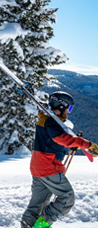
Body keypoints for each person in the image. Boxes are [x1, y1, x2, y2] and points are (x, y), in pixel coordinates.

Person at [21, 91, 98, 228]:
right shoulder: (51, 122)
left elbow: (52, 141)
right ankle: (42, 225)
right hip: (49, 168)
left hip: (38, 167)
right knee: (67, 198)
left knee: (38, 203)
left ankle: (28, 224)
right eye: (69, 108)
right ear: (61, 107)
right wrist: (86, 144)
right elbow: (62, 139)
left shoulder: (46, 119)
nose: (68, 112)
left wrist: (75, 144)